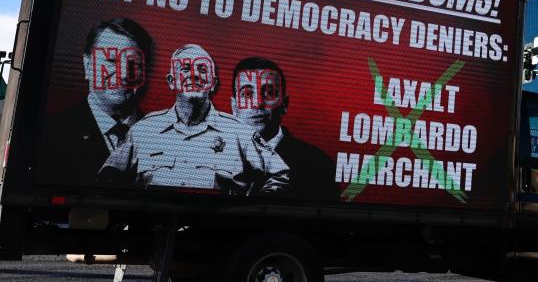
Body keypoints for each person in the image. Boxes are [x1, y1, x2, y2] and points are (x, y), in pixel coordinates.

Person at [100, 44, 289, 194]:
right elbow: (109, 176)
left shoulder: (239, 132)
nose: (194, 75)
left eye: (202, 69)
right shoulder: (144, 130)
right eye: (185, 69)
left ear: (213, 83)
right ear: (171, 81)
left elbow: (280, 174)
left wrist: (248, 214)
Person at [43, 17, 152, 185]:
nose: (124, 74)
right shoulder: (52, 134)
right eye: (111, 61)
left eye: (133, 63)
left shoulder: (161, 136)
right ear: (87, 65)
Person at [231, 56, 338, 201]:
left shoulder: (318, 164)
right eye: (247, 94)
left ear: (285, 105)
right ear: (233, 105)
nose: (258, 103)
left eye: (269, 93)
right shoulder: (211, 153)